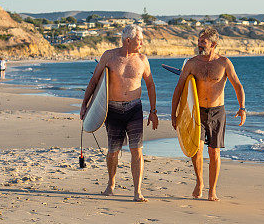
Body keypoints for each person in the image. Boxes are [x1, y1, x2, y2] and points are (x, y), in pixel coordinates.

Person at [81, 24, 158, 202]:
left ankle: (137, 191)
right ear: (128, 40)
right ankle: (111, 184)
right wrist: (85, 104)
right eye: (140, 40)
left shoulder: (142, 59)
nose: (142, 43)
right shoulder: (109, 56)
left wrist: (153, 111)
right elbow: (94, 81)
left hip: (134, 109)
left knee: (136, 150)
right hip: (112, 109)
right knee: (113, 151)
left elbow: (151, 85)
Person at [171, 27, 245, 201]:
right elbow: (179, 88)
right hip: (197, 112)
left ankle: (212, 190)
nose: (199, 44)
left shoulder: (224, 63)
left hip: (217, 112)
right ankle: (199, 182)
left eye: (203, 42)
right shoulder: (191, 63)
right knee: (196, 150)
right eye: (199, 41)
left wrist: (242, 108)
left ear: (214, 44)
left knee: (214, 153)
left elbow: (238, 86)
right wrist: (174, 114)